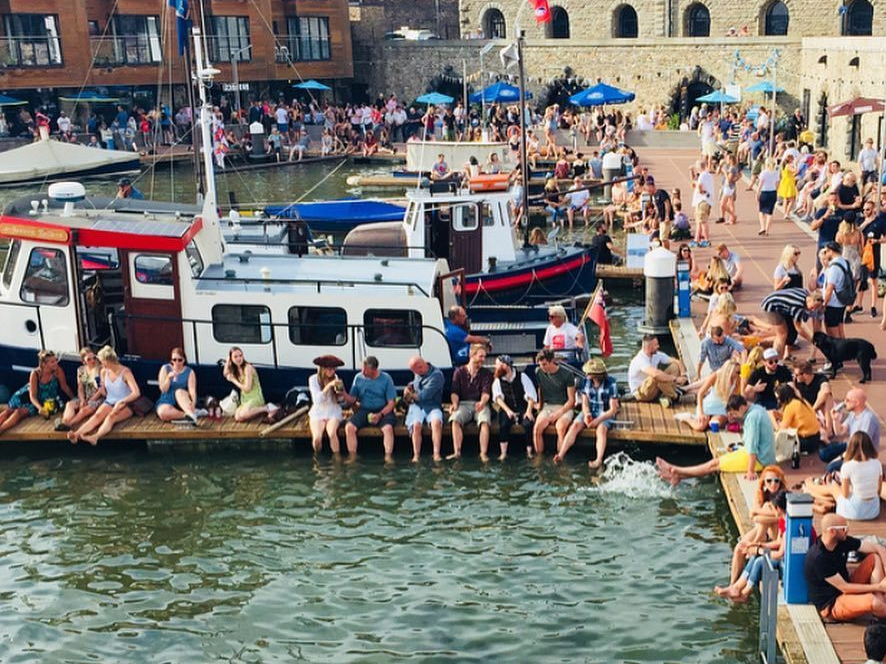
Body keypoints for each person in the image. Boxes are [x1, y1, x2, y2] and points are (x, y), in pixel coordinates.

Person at [657, 395, 775, 484]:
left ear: (742, 407)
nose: (734, 417)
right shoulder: (757, 408)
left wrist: (750, 471)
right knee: (715, 463)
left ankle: (676, 470)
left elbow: (752, 447)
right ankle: (678, 475)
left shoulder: (752, 418)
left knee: (714, 464)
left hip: (760, 460)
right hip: (763, 455)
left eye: (735, 414)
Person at [803, 513, 886, 622]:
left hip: (846, 587)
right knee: (874, 602)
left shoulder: (841, 541)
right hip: (833, 603)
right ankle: (880, 605)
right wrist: (879, 586)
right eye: (844, 528)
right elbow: (845, 587)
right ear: (832, 531)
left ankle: (881, 605)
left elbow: (877, 548)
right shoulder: (818, 558)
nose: (847, 531)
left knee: (874, 558)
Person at [716, 488, 789, 603]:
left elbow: (780, 554)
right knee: (755, 557)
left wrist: (759, 550)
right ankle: (736, 588)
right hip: (784, 559)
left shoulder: (788, 527)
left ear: (778, 508)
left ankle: (745, 593)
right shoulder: (783, 521)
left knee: (759, 561)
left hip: (787, 564)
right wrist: (757, 544)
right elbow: (779, 542)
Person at [67, 346, 139, 446]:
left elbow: (136, 393)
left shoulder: (126, 372)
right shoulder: (104, 372)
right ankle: (76, 434)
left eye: (102, 361)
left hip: (126, 403)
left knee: (111, 417)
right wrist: (101, 391)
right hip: (109, 401)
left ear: (108, 361)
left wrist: (122, 402)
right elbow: (105, 391)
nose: (100, 363)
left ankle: (95, 437)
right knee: (97, 416)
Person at [556, 358, 619, 468]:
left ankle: (598, 459)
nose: (586, 373)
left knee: (601, 430)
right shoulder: (585, 381)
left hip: (605, 412)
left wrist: (597, 420)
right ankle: (561, 454)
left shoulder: (611, 383)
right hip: (591, 410)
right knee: (575, 426)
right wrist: (587, 414)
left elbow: (612, 409)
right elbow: (585, 403)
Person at [805, 432, 882, 519]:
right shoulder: (877, 463)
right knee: (842, 490)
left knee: (833, 487)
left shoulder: (847, 466)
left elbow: (845, 495)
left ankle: (809, 486)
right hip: (873, 510)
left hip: (855, 512)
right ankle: (821, 500)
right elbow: (878, 491)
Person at [0, 349, 74, 435]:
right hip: (29, 396)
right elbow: (32, 395)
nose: (55, 363)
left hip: (44, 399)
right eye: (52, 362)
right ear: (44, 364)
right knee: (7, 412)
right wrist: (40, 408)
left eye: (55, 361)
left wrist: (73, 398)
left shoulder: (58, 371)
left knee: (18, 413)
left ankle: (1, 429)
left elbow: (64, 387)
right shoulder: (35, 374)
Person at [342, 356, 397, 460]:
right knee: (349, 427)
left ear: (374, 370)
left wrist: (380, 414)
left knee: (388, 429)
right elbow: (352, 399)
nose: (363, 372)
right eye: (362, 369)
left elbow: (391, 403)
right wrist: (343, 393)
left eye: (365, 370)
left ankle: (388, 457)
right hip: (364, 409)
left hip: (383, 409)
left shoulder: (386, 379)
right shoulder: (358, 378)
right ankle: (352, 456)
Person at [448, 344, 493, 461]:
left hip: (479, 402)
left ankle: (483, 453)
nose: (483, 359)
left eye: (484, 357)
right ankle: (457, 451)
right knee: (455, 419)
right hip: (464, 403)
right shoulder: (459, 372)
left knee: (484, 421)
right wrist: (455, 404)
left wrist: (482, 402)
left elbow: (486, 392)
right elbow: (455, 392)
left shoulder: (486, 373)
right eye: (481, 356)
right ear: (472, 355)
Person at [755, 287, 824, 358]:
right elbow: (799, 328)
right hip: (771, 306)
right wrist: (812, 340)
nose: (812, 310)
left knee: (789, 332)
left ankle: (785, 354)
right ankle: (776, 359)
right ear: (811, 300)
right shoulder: (798, 306)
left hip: (781, 307)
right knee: (782, 334)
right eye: (812, 307)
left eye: (815, 309)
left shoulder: (805, 292)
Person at [491, 354, 538, 460]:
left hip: (523, 407)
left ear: (505, 365)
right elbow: (498, 399)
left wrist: (529, 411)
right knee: (504, 425)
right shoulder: (498, 380)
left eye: (497, 365)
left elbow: (531, 396)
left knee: (528, 423)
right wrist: (508, 411)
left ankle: (529, 451)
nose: (495, 368)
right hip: (507, 407)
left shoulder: (522, 376)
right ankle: (503, 453)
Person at [820, 387, 881, 466]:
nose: (845, 403)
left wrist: (843, 457)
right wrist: (835, 420)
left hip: (862, 454)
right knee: (824, 454)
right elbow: (840, 432)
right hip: (851, 446)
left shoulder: (868, 419)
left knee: (831, 467)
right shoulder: (853, 414)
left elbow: (861, 445)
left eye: (847, 400)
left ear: (857, 403)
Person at [675, 359, 740, 432]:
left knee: (715, 424)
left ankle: (710, 420)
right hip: (708, 406)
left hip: (721, 409)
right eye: (737, 372)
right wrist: (701, 412)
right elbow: (700, 393)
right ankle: (687, 417)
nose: (739, 374)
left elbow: (732, 399)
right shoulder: (716, 376)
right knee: (700, 427)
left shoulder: (737, 380)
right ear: (730, 371)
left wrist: (730, 412)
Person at [532, 349, 576, 456]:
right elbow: (540, 389)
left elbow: (571, 400)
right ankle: (539, 457)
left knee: (560, 428)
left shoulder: (567, 374)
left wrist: (559, 413)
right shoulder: (539, 372)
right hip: (548, 406)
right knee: (537, 429)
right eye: (541, 365)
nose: (543, 367)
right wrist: (540, 406)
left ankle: (559, 456)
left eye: (545, 364)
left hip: (564, 407)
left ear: (552, 361)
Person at [628, 333, 688, 407]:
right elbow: (655, 374)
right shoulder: (639, 360)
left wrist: (683, 375)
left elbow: (676, 361)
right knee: (656, 376)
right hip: (641, 393)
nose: (658, 346)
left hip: (654, 389)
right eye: (656, 345)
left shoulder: (657, 354)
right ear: (649, 347)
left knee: (675, 367)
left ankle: (670, 392)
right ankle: (675, 396)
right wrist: (675, 379)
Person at [404, 355, 445, 462]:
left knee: (436, 423)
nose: (415, 374)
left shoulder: (437, 375)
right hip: (417, 405)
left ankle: (436, 453)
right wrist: (408, 387)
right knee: (416, 425)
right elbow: (415, 384)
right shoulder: (418, 373)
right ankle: (416, 455)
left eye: (415, 371)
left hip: (432, 405)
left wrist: (409, 395)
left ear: (421, 367)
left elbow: (425, 395)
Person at [223, 346, 278, 423]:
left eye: (240, 355)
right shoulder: (236, 369)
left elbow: (247, 388)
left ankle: (267, 408)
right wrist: (227, 361)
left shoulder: (247, 368)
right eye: (235, 357)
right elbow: (225, 374)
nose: (239, 358)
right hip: (245, 399)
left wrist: (234, 380)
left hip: (255, 397)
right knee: (238, 417)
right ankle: (259, 411)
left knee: (243, 414)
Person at [59, 347, 104, 432]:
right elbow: (80, 387)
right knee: (70, 404)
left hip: (98, 397)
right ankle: (65, 422)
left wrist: (91, 400)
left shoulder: (100, 369)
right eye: (89, 359)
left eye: (94, 358)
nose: (93, 361)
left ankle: (69, 424)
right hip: (86, 396)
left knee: (84, 410)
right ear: (84, 361)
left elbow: (101, 389)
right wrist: (83, 400)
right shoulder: (82, 370)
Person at [308, 354, 345, 454]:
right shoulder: (313, 379)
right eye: (330, 369)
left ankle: (337, 460)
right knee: (317, 438)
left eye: (334, 369)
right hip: (318, 412)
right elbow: (316, 400)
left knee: (332, 433)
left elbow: (341, 400)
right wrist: (328, 386)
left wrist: (341, 393)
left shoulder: (336, 377)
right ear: (322, 369)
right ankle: (318, 459)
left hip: (333, 411)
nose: (332, 371)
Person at [155, 347, 201, 424]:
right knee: (162, 413)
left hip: (182, 398)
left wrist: (193, 402)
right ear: (171, 360)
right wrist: (168, 378)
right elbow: (163, 389)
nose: (177, 362)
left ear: (184, 360)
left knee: (179, 392)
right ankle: (188, 415)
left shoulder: (189, 371)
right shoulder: (165, 368)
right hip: (167, 398)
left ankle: (190, 412)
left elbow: (192, 389)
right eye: (174, 360)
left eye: (180, 360)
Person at [792, 360, 834, 444]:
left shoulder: (820, 378)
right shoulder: (797, 382)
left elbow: (826, 390)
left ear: (805, 375)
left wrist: (813, 409)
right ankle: (821, 432)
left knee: (827, 396)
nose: (795, 377)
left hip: (819, 407)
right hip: (807, 408)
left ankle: (829, 429)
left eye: (797, 375)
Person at [774, 383, 820, 453]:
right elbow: (795, 418)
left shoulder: (790, 406)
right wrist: (779, 416)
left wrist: (772, 418)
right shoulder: (802, 400)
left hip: (805, 442)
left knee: (779, 436)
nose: (778, 401)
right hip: (816, 438)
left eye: (778, 398)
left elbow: (781, 430)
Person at [821, 241, 852, 339]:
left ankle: (839, 353)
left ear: (831, 251)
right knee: (840, 329)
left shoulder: (834, 267)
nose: (825, 254)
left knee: (832, 332)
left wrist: (824, 303)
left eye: (826, 252)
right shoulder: (844, 262)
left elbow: (830, 288)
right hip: (841, 301)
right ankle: (846, 351)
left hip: (833, 303)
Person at [691, 160, 714, 247]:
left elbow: (700, 186)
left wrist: (701, 191)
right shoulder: (707, 175)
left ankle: (706, 240)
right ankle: (697, 239)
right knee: (699, 221)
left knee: (703, 221)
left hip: (703, 200)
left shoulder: (703, 175)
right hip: (702, 201)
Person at [756, 157, 779, 236]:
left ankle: (762, 227)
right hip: (773, 193)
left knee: (761, 211)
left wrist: (757, 192)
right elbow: (777, 184)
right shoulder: (775, 172)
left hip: (764, 192)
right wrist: (776, 191)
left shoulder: (764, 173)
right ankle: (767, 230)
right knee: (770, 212)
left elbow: (760, 183)